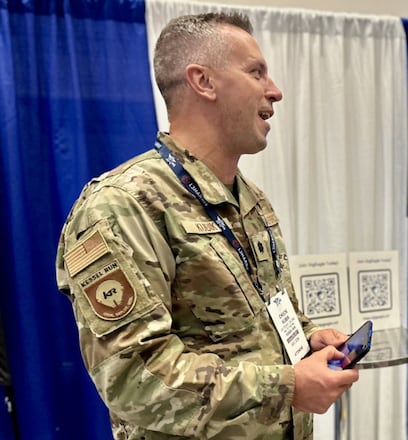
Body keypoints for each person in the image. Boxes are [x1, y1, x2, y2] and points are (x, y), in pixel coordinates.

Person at [54, 12, 358, 440]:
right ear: (204, 82)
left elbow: (268, 312)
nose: (275, 91)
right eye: (256, 72)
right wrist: (287, 386)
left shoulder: (250, 198)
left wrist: (307, 339)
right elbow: (133, 377)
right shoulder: (122, 206)